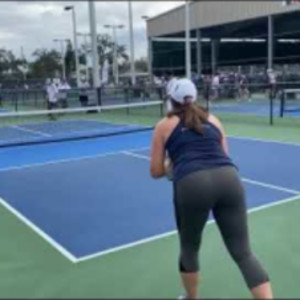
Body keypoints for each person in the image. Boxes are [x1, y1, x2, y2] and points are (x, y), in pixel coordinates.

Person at [150, 78, 273, 299]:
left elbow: (156, 170)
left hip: (192, 184)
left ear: (172, 100)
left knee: (189, 248)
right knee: (244, 253)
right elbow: (224, 156)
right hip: (229, 179)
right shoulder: (214, 120)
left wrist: (173, 163)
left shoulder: (163, 125)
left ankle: (191, 298)